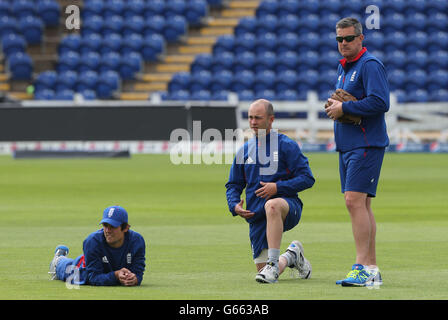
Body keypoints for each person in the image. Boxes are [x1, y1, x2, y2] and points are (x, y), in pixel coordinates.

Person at [325, 17, 389, 287]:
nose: (343, 44)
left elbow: (380, 101)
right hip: (349, 144)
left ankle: (361, 266)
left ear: (361, 38)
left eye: (349, 38)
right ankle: (372, 268)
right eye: (339, 39)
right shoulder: (344, 68)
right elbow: (351, 102)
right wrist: (333, 107)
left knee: (353, 201)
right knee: (361, 204)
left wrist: (345, 109)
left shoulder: (369, 64)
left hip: (365, 143)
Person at [225, 99, 315, 283]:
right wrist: (234, 205)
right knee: (261, 270)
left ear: (271, 119)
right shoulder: (244, 150)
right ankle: (292, 255)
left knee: (272, 205)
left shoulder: (286, 145)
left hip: (287, 208)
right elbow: (233, 185)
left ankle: (273, 264)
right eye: (250, 118)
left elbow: (307, 178)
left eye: (258, 118)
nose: (252, 122)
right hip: (256, 217)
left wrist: (278, 187)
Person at [49, 205, 146, 286]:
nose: (107, 230)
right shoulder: (92, 242)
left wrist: (135, 279)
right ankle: (58, 261)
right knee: (74, 273)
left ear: (125, 228)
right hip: (85, 269)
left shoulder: (137, 241)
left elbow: (138, 272)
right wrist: (116, 275)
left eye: (113, 226)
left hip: (110, 268)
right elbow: (94, 278)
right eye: (105, 225)